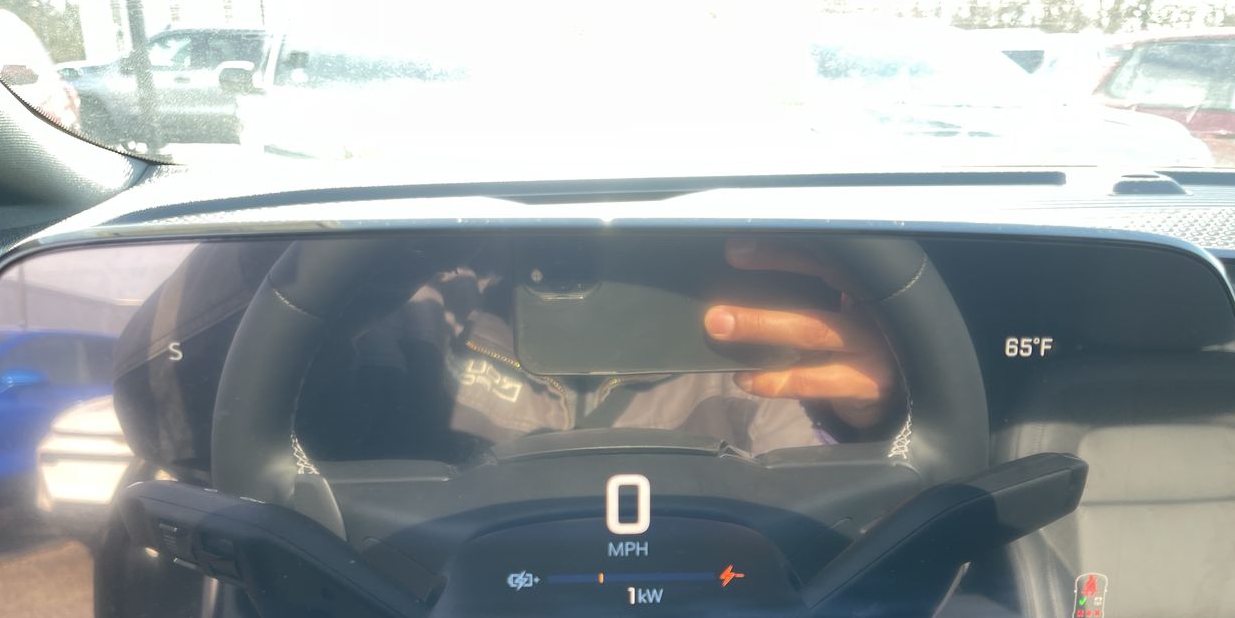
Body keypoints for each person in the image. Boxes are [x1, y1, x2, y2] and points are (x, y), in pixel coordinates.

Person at [294, 235, 906, 464]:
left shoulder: (767, 335)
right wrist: (365, 266)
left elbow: (833, 530)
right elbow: (285, 434)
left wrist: (874, 423)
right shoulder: (422, 305)